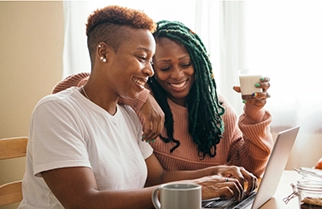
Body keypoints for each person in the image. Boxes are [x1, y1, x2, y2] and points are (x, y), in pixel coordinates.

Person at [19, 6, 257, 209]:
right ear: (103, 53)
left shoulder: (129, 115)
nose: (150, 71)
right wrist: (194, 188)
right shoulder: (56, 112)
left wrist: (217, 173)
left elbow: (158, 177)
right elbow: (84, 202)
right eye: (142, 58)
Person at [55, 20, 273, 178]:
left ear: (199, 65)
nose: (177, 75)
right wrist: (142, 97)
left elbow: (249, 169)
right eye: (165, 67)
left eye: (186, 64)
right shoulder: (137, 99)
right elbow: (69, 88)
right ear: (151, 67)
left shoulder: (218, 109)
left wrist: (254, 113)